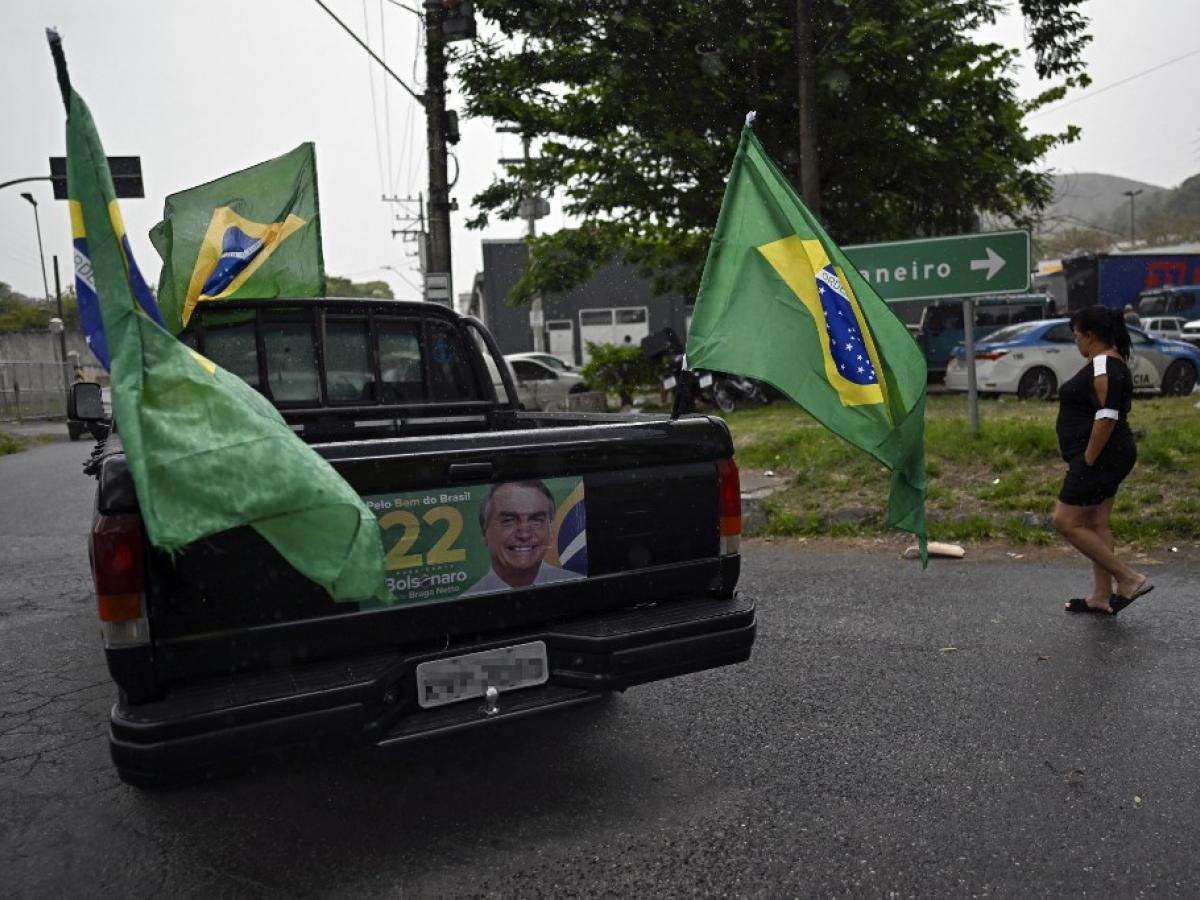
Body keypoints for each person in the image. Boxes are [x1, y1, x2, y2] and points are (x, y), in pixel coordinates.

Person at [1051, 306, 1153, 615]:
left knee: (1065, 521)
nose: (1076, 343)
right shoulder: (1112, 361)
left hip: (1103, 455)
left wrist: (1088, 459)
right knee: (1096, 522)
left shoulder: (1102, 365)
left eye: (1076, 336)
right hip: (1113, 453)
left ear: (1089, 336)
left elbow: (1107, 416)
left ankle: (1128, 578)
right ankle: (1101, 595)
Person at [461, 480, 585, 596]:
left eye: (536, 520)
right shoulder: (463, 605)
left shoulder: (581, 589)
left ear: (550, 531)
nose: (524, 535)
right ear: (484, 534)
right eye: (509, 521)